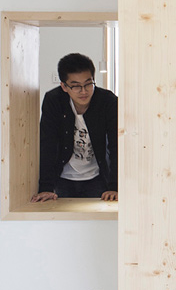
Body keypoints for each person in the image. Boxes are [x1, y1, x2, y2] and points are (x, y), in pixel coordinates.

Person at [31, 53, 118, 202]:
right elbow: (47, 144)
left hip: (97, 177)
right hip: (63, 178)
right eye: (76, 86)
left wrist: (115, 186)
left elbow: (116, 144)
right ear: (64, 86)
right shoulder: (54, 101)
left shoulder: (107, 101)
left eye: (88, 84)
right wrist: (46, 188)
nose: (83, 91)